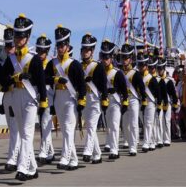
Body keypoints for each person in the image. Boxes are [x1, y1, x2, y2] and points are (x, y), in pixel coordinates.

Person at [0, 14, 48, 181]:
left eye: (21, 36)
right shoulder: (10, 59)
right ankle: (33, 168)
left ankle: (23, 168)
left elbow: (41, 82)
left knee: (26, 134)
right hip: (16, 95)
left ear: (27, 37)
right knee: (22, 132)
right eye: (17, 36)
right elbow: (1, 79)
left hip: (30, 98)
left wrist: (43, 102)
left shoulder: (34, 59)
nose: (18, 39)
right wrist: (13, 79)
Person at [44, 25, 86, 170]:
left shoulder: (74, 64)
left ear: (68, 45)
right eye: (58, 45)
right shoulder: (52, 63)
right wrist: (55, 80)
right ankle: (73, 160)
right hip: (58, 98)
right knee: (64, 128)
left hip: (70, 98)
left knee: (68, 128)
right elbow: (44, 78)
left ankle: (64, 157)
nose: (60, 47)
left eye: (63, 45)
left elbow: (81, 84)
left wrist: (81, 101)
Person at [0, 26, 20, 171]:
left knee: (18, 130)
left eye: (11, 46)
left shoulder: (20, 62)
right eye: (7, 46)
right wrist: (1, 87)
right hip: (8, 97)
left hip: (20, 96)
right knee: (13, 129)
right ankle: (15, 158)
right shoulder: (3, 63)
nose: (8, 49)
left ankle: (13, 159)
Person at [79, 33, 108, 164]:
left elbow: (103, 85)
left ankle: (87, 151)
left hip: (95, 99)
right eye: (84, 49)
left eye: (88, 50)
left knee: (91, 126)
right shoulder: (79, 66)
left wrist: (105, 100)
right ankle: (98, 155)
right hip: (84, 99)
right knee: (90, 126)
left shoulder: (98, 66)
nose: (85, 52)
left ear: (92, 51)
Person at [100, 40, 127, 159]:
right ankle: (111, 145)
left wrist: (125, 101)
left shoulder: (117, 73)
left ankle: (114, 150)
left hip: (115, 101)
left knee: (115, 125)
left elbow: (124, 90)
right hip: (104, 101)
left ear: (111, 58)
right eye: (103, 57)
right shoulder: (99, 72)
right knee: (109, 126)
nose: (104, 60)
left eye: (107, 57)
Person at [119, 43, 145, 156]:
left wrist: (144, 100)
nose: (124, 60)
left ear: (131, 59)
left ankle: (133, 146)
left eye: (126, 57)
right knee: (125, 124)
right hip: (123, 100)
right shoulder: (119, 73)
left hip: (133, 99)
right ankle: (129, 142)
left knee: (134, 123)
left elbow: (142, 89)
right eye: (123, 57)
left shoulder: (136, 73)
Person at [34, 34, 55, 165]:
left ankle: (43, 151)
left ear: (47, 51)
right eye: (38, 50)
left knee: (45, 123)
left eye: (43, 51)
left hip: (48, 95)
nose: (40, 53)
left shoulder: (51, 64)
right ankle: (50, 153)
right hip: (36, 95)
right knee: (43, 124)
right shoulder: (34, 62)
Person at [141, 55, 160, 151]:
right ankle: (152, 141)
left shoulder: (151, 79)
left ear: (146, 66)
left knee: (149, 123)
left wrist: (159, 104)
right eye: (139, 65)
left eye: (142, 65)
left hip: (150, 102)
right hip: (141, 102)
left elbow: (158, 93)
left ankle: (146, 143)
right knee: (147, 123)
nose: (141, 67)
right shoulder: (138, 77)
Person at [158, 60, 178, 146]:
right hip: (158, 102)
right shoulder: (156, 79)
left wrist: (175, 104)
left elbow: (173, 94)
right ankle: (160, 139)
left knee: (166, 121)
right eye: (158, 68)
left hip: (167, 103)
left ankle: (167, 139)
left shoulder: (169, 80)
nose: (159, 70)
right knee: (159, 121)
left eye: (161, 68)